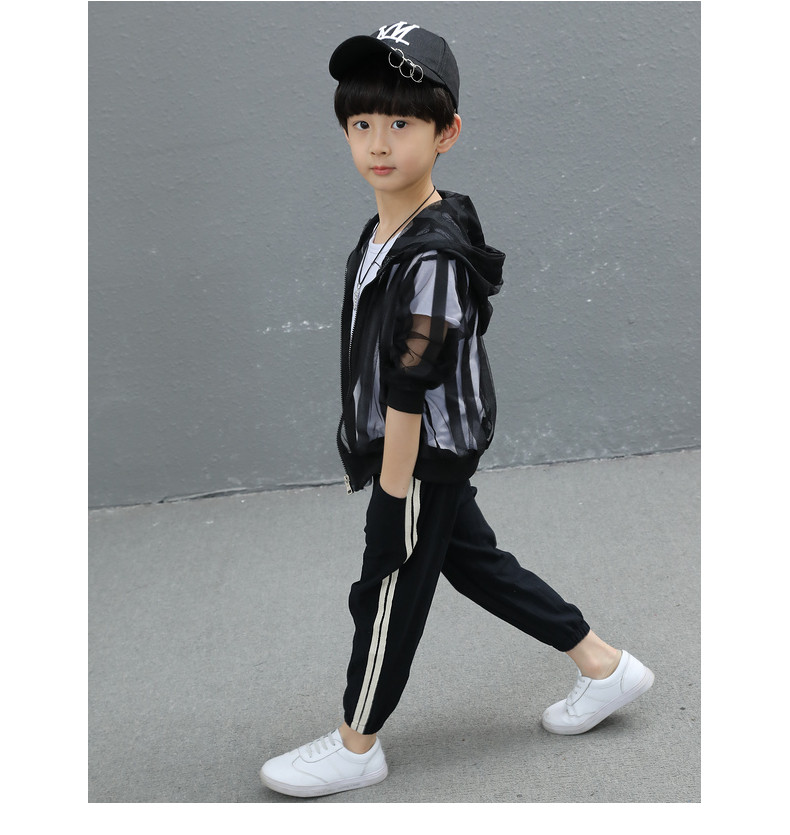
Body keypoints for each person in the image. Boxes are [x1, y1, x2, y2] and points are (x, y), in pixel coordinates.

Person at [260, 21, 653, 799]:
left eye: (401, 123)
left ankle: (357, 742)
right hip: (414, 448)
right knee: (476, 563)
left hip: (419, 455)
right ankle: (605, 665)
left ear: (447, 133)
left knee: (387, 590)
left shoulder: (432, 254)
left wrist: (392, 492)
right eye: (361, 123)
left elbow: (413, 381)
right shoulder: (387, 230)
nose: (378, 142)